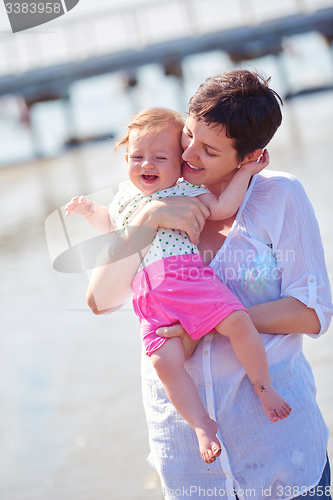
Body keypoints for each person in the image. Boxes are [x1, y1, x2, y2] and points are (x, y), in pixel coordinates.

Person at [86, 70, 333, 500]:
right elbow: (99, 300)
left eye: (210, 150)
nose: (189, 154)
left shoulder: (279, 197)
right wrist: (145, 222)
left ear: (248, 155)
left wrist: (210, 322)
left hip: (280, 456)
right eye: (188, 136)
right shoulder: (141, 198)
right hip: (188, 464)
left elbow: (313, 312)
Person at [65, 107, 291, 465]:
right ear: (126, 158)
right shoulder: (124, 197)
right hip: (149, 294)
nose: (146, 164)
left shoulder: (184, 191)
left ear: (180, 163)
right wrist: (91, 210)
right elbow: (111, 226)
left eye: (160, 157)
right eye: (137, 156)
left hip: (187, 279)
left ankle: (263, 387)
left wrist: (245, 172)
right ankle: (202, 425)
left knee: (237, 322)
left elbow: (222, 207)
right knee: (163, 361)